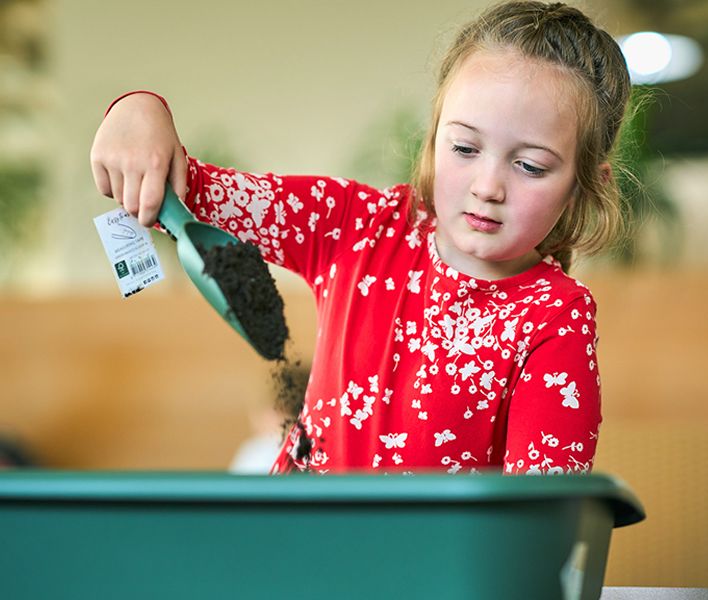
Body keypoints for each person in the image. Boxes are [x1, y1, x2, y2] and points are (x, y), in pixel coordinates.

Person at [90, 1, 631, 475]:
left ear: (585, 185)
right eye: (465, 148)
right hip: (286, 560)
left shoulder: (556, 316)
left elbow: (535, 525)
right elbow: (191, 195)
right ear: (435, 135)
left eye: (531, 166)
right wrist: (138, 109)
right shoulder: (359, 226)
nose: (488, 187)